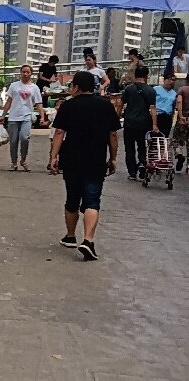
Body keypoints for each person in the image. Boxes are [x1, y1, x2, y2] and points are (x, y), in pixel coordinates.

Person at [48, 70, 119, 261]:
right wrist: (113, 158)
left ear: (77, 87)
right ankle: (88, 240)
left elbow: (59, 132)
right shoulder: (105, 105)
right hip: (96, 159)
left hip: (71, 159)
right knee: (92, 201)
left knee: (72, 198)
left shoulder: (68, 105)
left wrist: (53, 157)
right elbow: (113, 134)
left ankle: (71, 236)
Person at [0, 64, 47, 170]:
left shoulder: (34, 88)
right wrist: (3, 115)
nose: (25, 74)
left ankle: (23, 159)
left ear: (31, 74)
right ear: (20, 73)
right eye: (23, 72)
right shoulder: (14, 86)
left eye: (28, 72)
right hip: (13, 117)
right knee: (13, 141)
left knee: (25, 138)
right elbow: (9, 101)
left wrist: (42, 116)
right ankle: (14, 162)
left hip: (26, 116)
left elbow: (39, 103)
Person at [121, 64, 157, 180]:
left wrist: (117, 117)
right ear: (146, 76)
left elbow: (121, 104)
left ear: (135, 75)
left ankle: (132, 173)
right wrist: (154, 124)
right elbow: (153, 109)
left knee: (129, 148)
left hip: (129, 123)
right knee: (142, 146)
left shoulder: (128, 89)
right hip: (144, 123)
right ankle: (142, 163)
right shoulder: (151, 90)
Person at [173, 77, 189, 171]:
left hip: (183, 120)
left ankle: (179, 153)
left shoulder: (182, 89)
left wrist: (181, 115)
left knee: (177, 140)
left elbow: (179, 101)